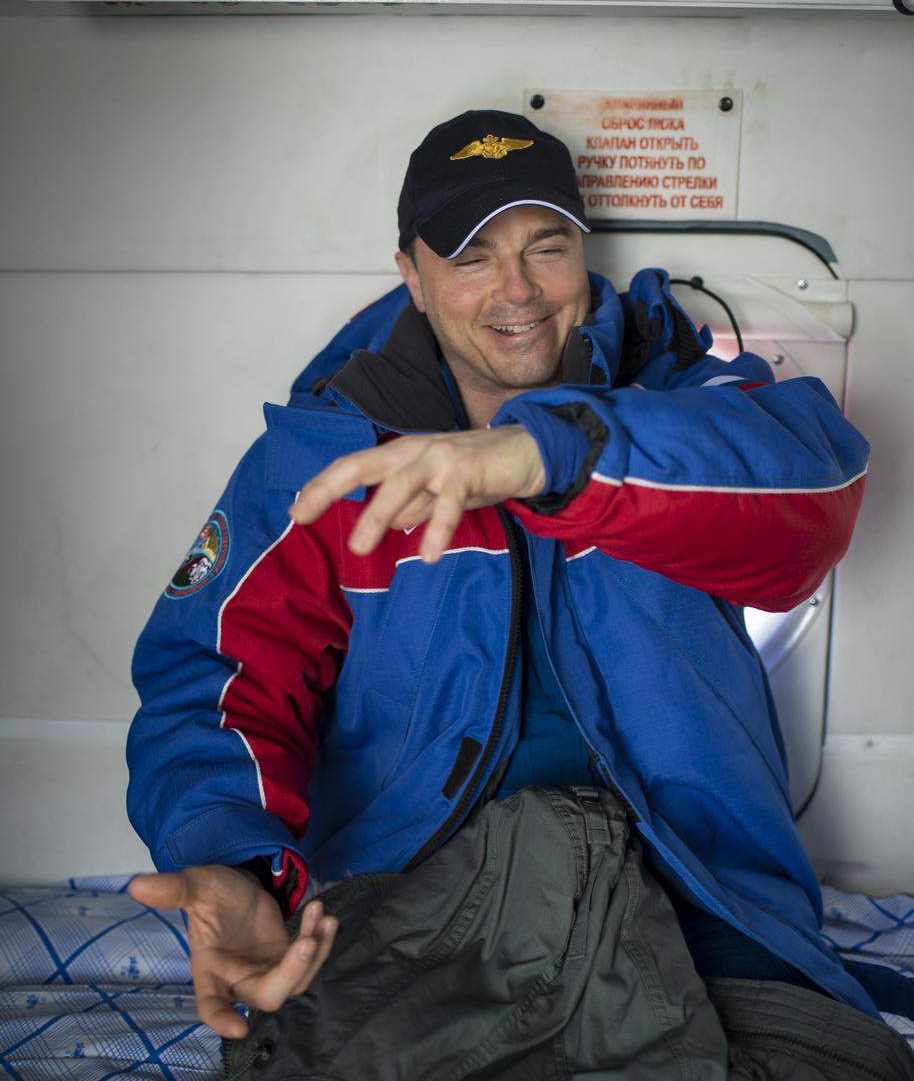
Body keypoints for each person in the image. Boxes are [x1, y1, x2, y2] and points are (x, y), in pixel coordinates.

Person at [127, 110, 914, 1078]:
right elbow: (215, 680)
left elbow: (813, 489)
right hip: (432, 895)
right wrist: (234, 855)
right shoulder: (322, 463)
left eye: (547, 248)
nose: (516, 290)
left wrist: (549, 451)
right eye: (470, 256)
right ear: (409, 274)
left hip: (700, 887)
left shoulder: (680, 399)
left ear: (583, 260)